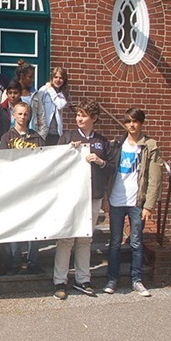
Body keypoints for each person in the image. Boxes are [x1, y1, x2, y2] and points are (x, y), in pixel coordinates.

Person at [53, 101, 114, 300]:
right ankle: (59, 281)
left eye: (84, 115)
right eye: (78, 114)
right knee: (66, 239)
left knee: (85, 239)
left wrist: (100, 161)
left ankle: (83, 279)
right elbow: (54, 161)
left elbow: (112, 168)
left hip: (93, 197)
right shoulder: (68, 137)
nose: (79, 118)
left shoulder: (102, 142)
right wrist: (69, 151)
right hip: (71, 196)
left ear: (94, 118)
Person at [104, 108, 163, 297]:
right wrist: (106, 199)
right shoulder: (116, 144)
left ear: (141, 123)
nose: (131, 125)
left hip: (137, 201)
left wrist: (149, 206)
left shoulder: (149, 146)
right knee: (114, 242)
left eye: (135, 121)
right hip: (116, 199)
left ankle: (136, 280)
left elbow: (155, 178)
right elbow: (108, 171)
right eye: (128, 121)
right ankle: (112, 279)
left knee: (136, 242)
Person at [0, 101, 45, 276]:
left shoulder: (37, 138)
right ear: (13, 115)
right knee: (14, 225)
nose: (23, 117)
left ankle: (33, 261)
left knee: (35, 225)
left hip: (34, 189)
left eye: (26, 114)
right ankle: (15, 261)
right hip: (14, 189)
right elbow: (2, 163)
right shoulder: (6, 138)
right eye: (19, 114)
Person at [32, 67, 69, 145]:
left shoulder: (62, 93)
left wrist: (51, 90)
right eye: (56, 77)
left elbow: (60, 105)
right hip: (43, 131)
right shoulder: (44, 90)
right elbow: (37, 107)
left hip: (56, 133)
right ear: (52, 78)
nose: (58, 80)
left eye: (61, 78)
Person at [0, 80, 22, 150]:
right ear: (6, 94)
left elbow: (31, 129)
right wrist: (1, 146)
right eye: (10, 93)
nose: (13, 96)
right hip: (1, 149)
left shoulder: (26, 110)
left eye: (15, 93)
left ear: (20, 94)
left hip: (21, 148)